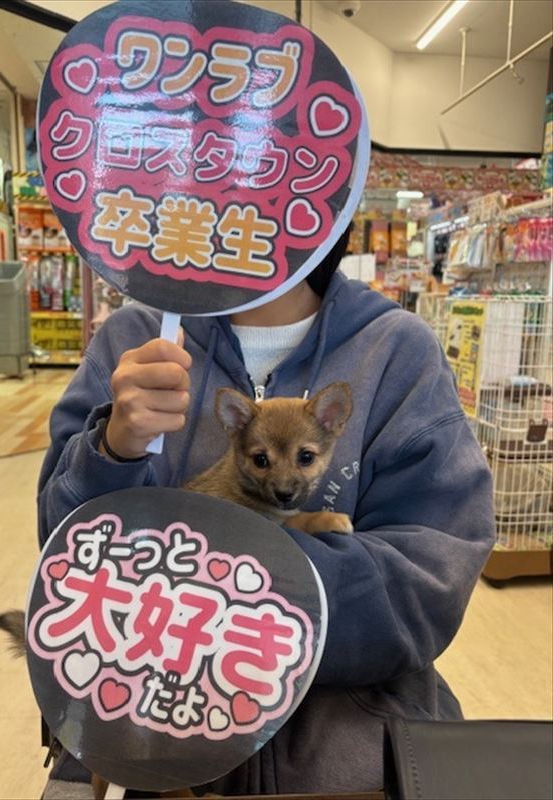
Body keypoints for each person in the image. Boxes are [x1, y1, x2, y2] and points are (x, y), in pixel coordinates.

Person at [38, 228, 495, 797]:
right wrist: (112, 453)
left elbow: (430, 581)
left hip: (355, 753)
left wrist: (228, 586)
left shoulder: (397, 350)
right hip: (162, 736)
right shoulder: (134, 339)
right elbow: (63, 560)